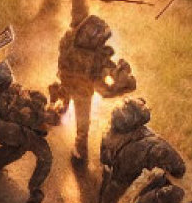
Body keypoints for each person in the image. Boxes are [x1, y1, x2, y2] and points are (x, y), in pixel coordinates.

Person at [0, 62, 64, 203]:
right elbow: (24, 116)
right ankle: (33, 189)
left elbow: (27, 95)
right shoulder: (1, 100)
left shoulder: (4, 92)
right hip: (11, 131)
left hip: (15, 130)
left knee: (14, 152)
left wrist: (39, 101)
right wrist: (45, 116)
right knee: (43, 156)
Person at [51, 13, 136, 163]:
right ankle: (80, 152)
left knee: (63, 99)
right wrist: (120, 76)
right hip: (81, 89)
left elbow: (63, 56)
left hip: (67, 80)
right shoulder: (93, 55)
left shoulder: (69, 38)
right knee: (82, 126)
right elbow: (102, 75)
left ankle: (54, 113)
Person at [98, 98, 185, 203]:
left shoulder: (107, 134)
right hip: (127, 198)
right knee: (176, 192)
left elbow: (104, 160)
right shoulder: (153, 145)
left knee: (113, 179)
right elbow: (179, 169)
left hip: (108, 201)